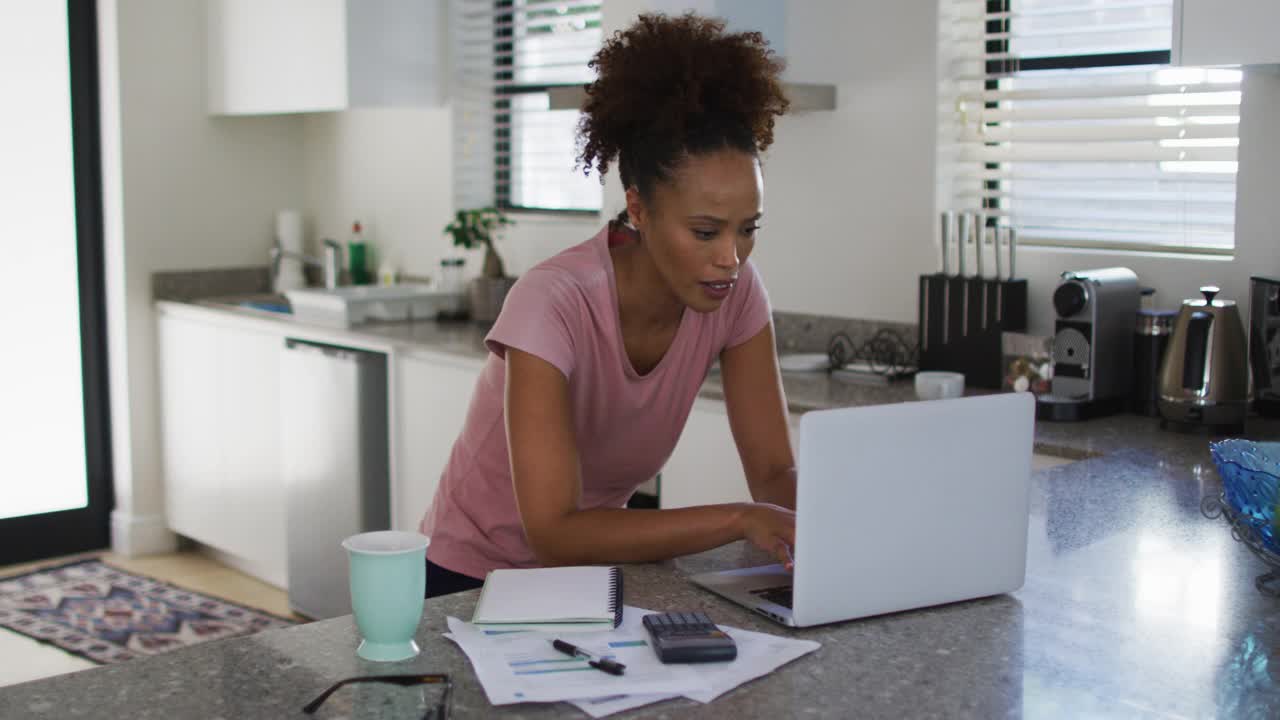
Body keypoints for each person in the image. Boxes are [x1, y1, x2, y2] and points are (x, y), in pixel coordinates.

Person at [420, 12, 796, 598]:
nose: (732, 256)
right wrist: (740, 518)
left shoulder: (737, 293)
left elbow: (775, 472)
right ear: (639, 210)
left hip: (590, 582)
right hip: (469, 581)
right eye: (705, 231)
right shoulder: (554, 302)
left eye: (748, 228)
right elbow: (555, 532)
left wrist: (827, 531)